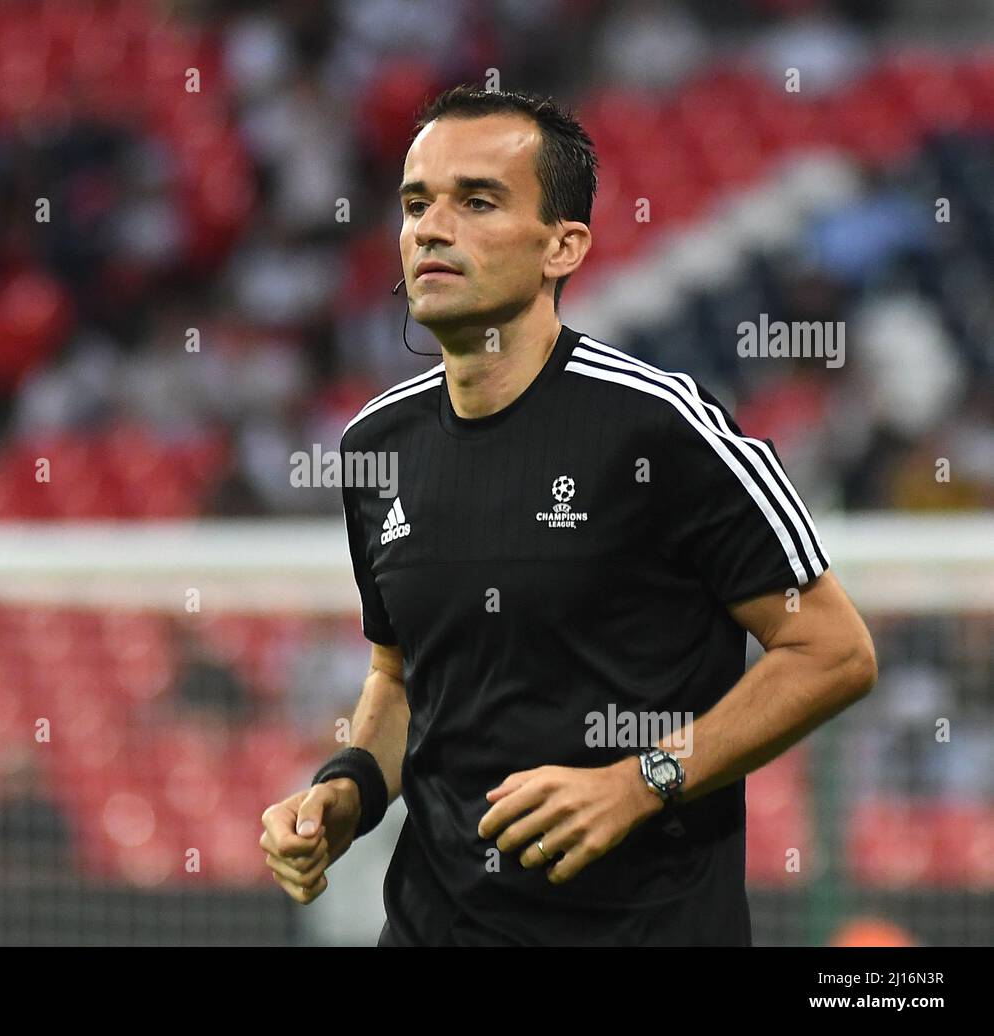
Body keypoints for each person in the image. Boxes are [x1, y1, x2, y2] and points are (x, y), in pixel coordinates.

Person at [259, 84, 877, 946]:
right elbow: (399, 678)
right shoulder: (376, 446)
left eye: (476, 201)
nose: (431, 228)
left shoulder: (662, 426)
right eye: (414, 204)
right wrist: (348, 788)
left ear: (563, 244)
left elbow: (833, 651)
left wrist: (637, 781)